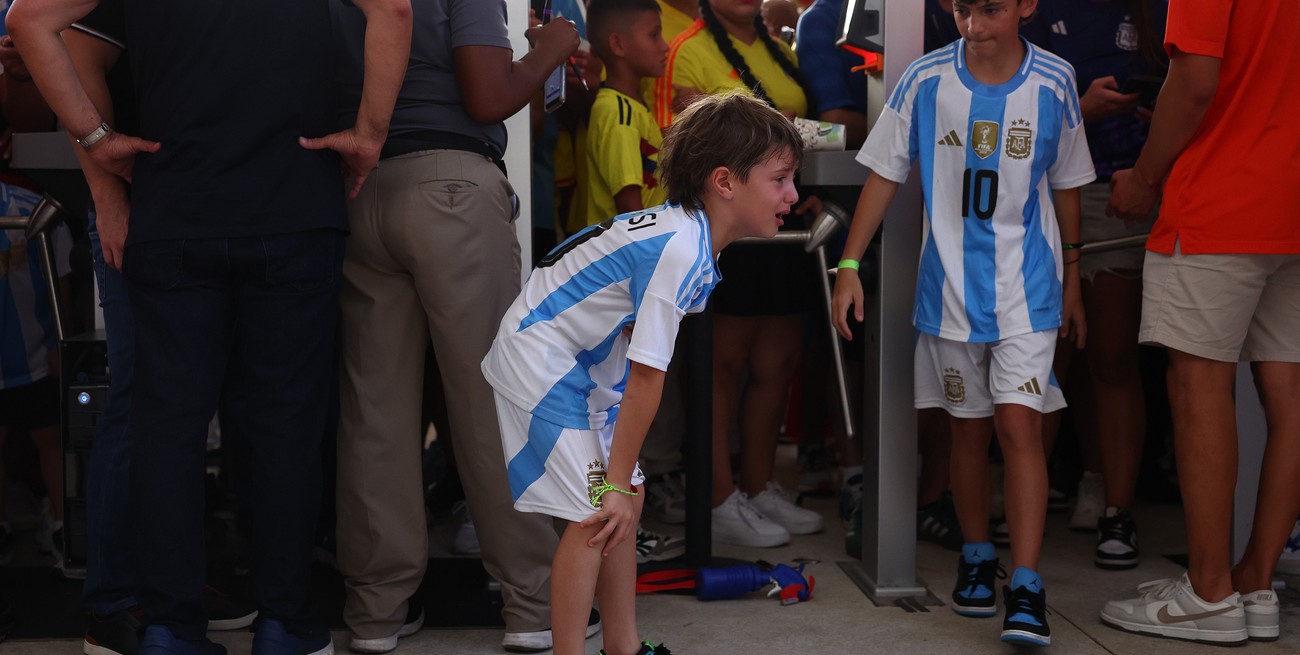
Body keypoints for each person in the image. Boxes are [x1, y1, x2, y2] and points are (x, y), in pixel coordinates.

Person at [7, 0, 413, 653]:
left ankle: (170, 625)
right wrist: (370, 135)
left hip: (176, 211)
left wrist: (95, 138)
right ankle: (283, 620)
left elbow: (30, 21)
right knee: (286, 422)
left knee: (168, 427)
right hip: (293, 207)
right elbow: (394, 9)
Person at [482, 91, 803, 655]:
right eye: (780, 179)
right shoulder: (680, 250)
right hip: (543, 364)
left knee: (622, 501)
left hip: (579, 367)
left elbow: (628, 339)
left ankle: (623, 647)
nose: (793, 196)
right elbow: (649, 376)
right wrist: (611, 482)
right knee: (594, 516)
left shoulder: (692, 239)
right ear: (725, 182)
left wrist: (621, 479)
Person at [831, 0, 1093, 646]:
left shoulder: (1055, 81)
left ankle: (1026, 582)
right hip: (946, 295)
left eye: (992, 9)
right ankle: (977, 557)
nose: (974, 23)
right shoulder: (924, 79)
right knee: (966, 434)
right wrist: (849, 264)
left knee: (1018, 427)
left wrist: (1075, 280)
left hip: (1027, 295)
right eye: (962, 7)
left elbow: (1067, 186)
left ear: (1027, 6)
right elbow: (883, 176)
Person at [327, 1, 585, 653]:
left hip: (361, 188)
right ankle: (533, 604)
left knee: (376, 415)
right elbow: (486, 94)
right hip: (451, 189)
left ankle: (376, 611)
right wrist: (552, 47)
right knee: (492, 401)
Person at [1101, 0, 1300, 646]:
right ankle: (1252, 582)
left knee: (1196, 384)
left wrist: (1146, 179)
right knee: (1291, 397)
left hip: (1223, 195)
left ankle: (1210, 591)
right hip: (1291, 198)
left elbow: (1196, 81)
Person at [654, 0, 824, 550]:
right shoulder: (688, 48)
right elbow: (681, 143)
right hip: (723, 223)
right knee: (719, 364)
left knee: (777, 361)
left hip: (781, 219)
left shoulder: (781, 47)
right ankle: (719, 495)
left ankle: (758, 485)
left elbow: (807, 136)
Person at [1022, 0, 1168, 571]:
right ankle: (1024, 499)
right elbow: (1009, 110)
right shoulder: (1032, 10)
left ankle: (1115, 507)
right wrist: (1083, 108)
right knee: (1044, 355)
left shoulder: (1158, 8)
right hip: (1044, 193)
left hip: (1127, 191)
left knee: (1111, 356)